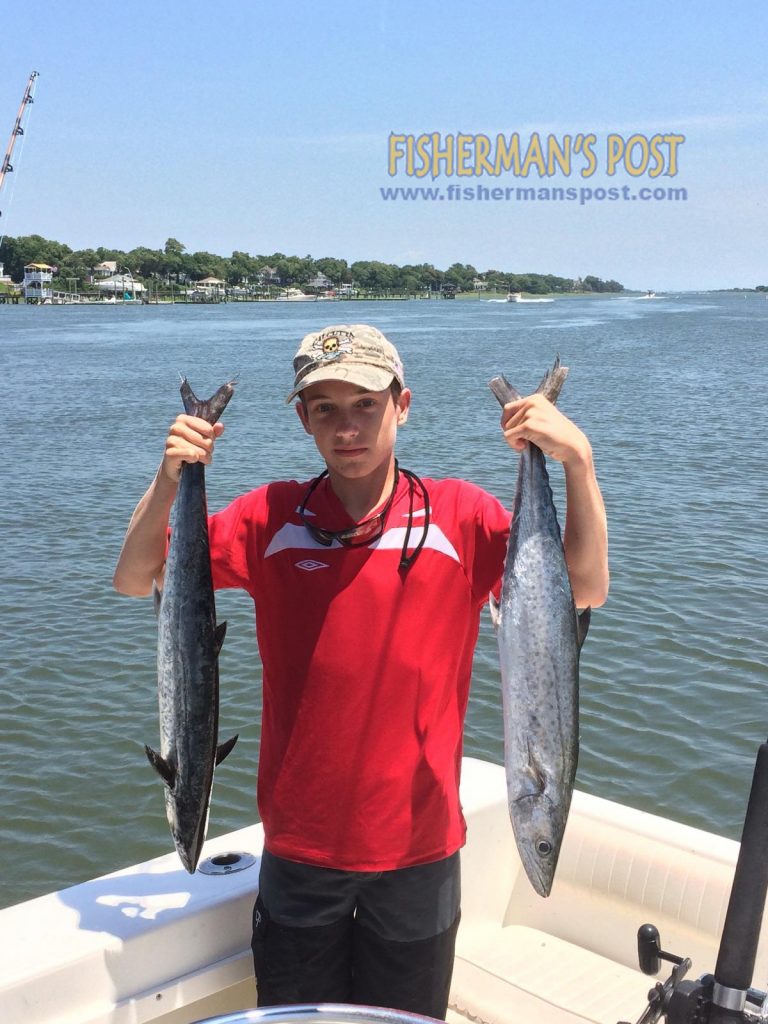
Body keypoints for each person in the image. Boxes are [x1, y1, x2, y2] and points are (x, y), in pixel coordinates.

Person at [113, 323, 608, 1019]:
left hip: (421, 850)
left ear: (402, 405)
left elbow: (582, 589)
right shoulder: (269, 517)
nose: (348, 428)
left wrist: (577, 463)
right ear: (303, 419)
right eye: (327, 410)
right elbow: (139, 578)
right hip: (298, 847)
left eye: (366, 406)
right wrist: (170, 479)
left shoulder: (461, 516)